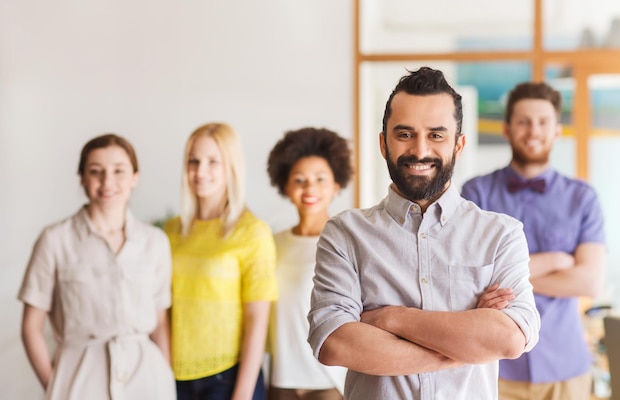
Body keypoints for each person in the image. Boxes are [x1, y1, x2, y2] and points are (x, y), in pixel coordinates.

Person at [307, 66, 541, 400]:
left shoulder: (501, 235)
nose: (419, 150)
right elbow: (336, 344)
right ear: (383, 143)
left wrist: (392, 319)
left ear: (458, 145)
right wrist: (466, 345)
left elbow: (509, 340)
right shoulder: (345, 233)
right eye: (404, 134)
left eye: (436, 135)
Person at [461, 81, 606, 400]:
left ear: (557, 130)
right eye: (524, 121)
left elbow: (590, 282)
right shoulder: (475, 194)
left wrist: (507, 276)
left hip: (565, 368)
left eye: (543, 122)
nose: (533, 130)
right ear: (507, 129)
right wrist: (556, 262)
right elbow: (470, 279)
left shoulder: (582, 198)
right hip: (493, 365)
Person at [18, 134, 176, 400]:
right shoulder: (55, 240)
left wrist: (165, 379)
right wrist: (54, 385)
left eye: (118, 171)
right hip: (78, 377)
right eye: (96, 171)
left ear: (134, 177)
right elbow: (31, 326)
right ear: (81, 178)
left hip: (146, 379)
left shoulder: (155, 241)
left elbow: (160, 321)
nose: (107, 182)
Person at [163, 122, 277, 400]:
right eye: (194, 161)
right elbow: (161, 312)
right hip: (174, 379)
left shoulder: (251, 232)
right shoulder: (170, 232)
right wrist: (163, 377)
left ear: (231, 167)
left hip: (228, 379)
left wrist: (241, 395)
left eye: (213, 162)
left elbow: (257, 322)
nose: (200, 171)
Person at [266, 127, 352, 400]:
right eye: (300, 180)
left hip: (329, 382)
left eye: (320, 179)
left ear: (336, 185)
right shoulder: (270, 243)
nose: (310, 188)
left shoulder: (347, 243)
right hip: (280, 382)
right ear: (286, 186)